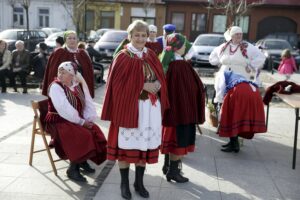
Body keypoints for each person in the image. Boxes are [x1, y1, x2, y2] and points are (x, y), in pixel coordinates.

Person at [101, 20, 169, 199]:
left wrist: (157, 84)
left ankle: (139, 182)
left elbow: (160, 75)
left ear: (148, 37)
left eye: (143, 35)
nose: (140, 39)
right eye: (136, 35)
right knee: (125, 148)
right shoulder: (123, 57)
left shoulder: (151, 55)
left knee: (143, 146)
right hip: (129, 108)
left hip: (149, 108)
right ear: (129, 36)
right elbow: (115, 85)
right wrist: (142, 85)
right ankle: (124, 184)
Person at [45, 61, 107, 182]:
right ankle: (72, 169)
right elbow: (64, 109)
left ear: (72, 75)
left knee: (94, 130)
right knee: (83, 135)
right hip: (58, 121)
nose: (60, 75)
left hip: (72, 119)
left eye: (64, 72)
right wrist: (81, 122)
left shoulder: (75, 85)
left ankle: (82, 161)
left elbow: (85, 102)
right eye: (59, 72)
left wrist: (86, 120)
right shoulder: (56, 87)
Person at [160, 33, 206, 183]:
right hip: (181, 112)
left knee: (174, 140)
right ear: (178, 47)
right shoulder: (179, 65)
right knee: (178, 141)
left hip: (174, 112)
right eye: (184, 44)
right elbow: (183, 90)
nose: (186, 47)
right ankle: (173, 172)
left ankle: (168, 167)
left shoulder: (175, 63)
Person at [214, 70, 267, 152]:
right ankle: (233, 143)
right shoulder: (236, 73)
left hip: (240, 92)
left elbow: (220, 89)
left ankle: (234, 145)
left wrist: (219, 102)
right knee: (238, 118)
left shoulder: (220, 75)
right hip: (253, 92)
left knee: (231, 117)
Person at [42, 30, 95, 98]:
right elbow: (52, 72)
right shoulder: (59, 53)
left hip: (80, 88)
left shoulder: (83, 53)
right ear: (65, 40)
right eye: (69, 38)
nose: (72, 40)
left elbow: (88, 72)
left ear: (77, 40)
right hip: (64, 89)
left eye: (74, 38)